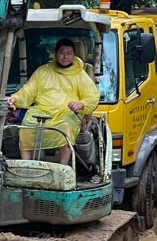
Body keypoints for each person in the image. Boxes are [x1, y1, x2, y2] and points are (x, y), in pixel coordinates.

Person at [8, 37, 99, 165]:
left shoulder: (80, 74)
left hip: (67, 112)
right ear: (55, 54)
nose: (65, 56)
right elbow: (28, 91)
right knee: (27, 125)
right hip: (41, 110)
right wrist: (15, 98)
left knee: (65, 127)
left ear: (74, 55)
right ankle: (26, 165)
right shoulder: (42, 71)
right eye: (62, 53)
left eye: (69, 53)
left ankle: (63, 167)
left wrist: (81, 104)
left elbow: (92, 95)